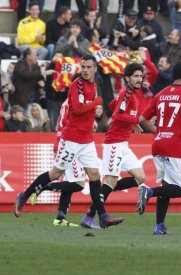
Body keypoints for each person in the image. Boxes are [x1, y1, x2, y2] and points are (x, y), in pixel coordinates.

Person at [13, 55, 123, 229]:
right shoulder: (76, 85)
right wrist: (96, 102)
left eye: (89, 67)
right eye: (83, 67)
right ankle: (24, 196)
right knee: (55, 173)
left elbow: (87, 112)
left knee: (95, 176)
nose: (85, 70)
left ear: (95, 69)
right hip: (71, 139)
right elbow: (78, 110)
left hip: (86, 140)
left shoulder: (94, 86)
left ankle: (102, 216)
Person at [138, 61, 181, 235]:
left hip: (158, 144)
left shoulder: (160, 94)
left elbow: (142, 120)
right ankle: (148, 191)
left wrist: (158, 132)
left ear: (174, 75)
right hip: (174, 147)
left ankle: (159, 226)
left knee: (166, 187)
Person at [80, 63, 147, 229]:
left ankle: (108, 189)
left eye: (141, 76)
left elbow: (112, 106)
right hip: (114, 144)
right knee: (110, 180)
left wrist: (130, 119)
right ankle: (89, 216)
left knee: (140, 177)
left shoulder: (129, 94)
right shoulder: (127, 93)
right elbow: (118, 114)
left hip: (124, 144)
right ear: (127, 78)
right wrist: (135, 120)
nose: (139, 79)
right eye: (136, 76)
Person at [30, 98, 86, 227]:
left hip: (66, 146)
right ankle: (42, 187)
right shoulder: (73, 105)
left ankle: (60, 218)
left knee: (68, 186)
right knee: (79, 184)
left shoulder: (67, 103)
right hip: (67, 147)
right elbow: (70, 124)